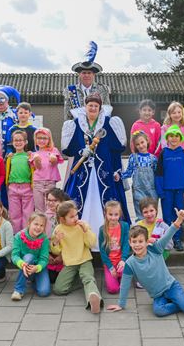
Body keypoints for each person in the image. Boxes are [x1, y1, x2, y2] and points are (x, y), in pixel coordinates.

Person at [107, 209, 184, 317]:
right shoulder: (130, 263)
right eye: (134, 242)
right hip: (158, 295)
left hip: (171, 286)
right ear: (130, 243)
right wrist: (121, 304)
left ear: (147, 241)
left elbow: (168, 234)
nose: (137, 245)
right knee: (159, 311)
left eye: (140, 241)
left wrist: (179, 219)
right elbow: (125, 283)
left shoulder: (155, 249)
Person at [62, 93, 131, 241]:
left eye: (96, 106)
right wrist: (82, 151)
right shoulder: (76, 123)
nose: (93, 108)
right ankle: (77, 239)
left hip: (103, 171)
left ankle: (109, 240)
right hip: (82, 170)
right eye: (90, 105)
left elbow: (117, 148)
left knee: (108, 203)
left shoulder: (108, 123)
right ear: (85, 107)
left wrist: (116, 169)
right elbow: (69, 149)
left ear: (100, 108)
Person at [51, 201, 102, 313]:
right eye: (71, 217)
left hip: (85, 259)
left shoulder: (82, 226)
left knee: (87, 278)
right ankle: (82, 281)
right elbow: (55, 251)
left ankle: (93, 298)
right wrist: (56, 241)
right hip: (69, 263)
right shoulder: (58, 229)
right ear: (63, 219)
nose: (75, 218)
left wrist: (86, 230)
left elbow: (91, 243)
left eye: (76, 215)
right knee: (58, 289)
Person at [155, 125, 184, 252]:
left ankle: (177, 239)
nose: (174, 138)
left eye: (176, 136)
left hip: (180, 190)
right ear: (167, 138)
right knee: (167, 215)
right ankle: (167, 239)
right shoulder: (164, 153)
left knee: (179, 215)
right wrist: (160, 190)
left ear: (180, 138)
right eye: (171, 136)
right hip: (166, 190)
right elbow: (159, 173)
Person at [116, 130, 158, 221]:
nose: (141, 146)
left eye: (142, 142)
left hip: (152, 190)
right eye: (137, 144)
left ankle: (152, 233)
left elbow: (157, 175)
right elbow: (128, 172)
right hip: (138, 190)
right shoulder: (133, 157)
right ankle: (140, 232)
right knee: (141, 214)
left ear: (147, 141)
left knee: (151, 213)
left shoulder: (153, 158)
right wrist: (119, 176)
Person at [63, 41, 110, 121]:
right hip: (77, 129)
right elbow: (67, 114)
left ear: (93, 75)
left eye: (89, 73)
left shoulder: (103, 89)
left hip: (97, 128)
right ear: (79, 74)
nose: (86, 75)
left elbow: (106, 112)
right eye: (84, 73)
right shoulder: (70, 90)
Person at [11, 213, 51, 301]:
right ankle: (18, 290)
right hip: (25, 265)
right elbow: (14, 255)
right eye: (36, 224)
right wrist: (21, 263)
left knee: (44, 292)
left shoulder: (44, 239)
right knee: (29, 257)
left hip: (38, 267)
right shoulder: (19, 236)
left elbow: (44, 259)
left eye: (41, 225)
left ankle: (33, 279)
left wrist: (37, 267)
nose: (38, 227)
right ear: (29, 223)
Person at [98, 201, 131, 294]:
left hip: (121, 261)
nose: (113, 217)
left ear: (120, 214)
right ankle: (115, 276)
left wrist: (123, 260)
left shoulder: (124, 226)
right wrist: (110, 267)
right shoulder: (102, 229)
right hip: (110, 263)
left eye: (116, 214)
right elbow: (102, 251)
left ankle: (121, 275)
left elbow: (126, 244)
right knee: (113, 289)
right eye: (110, 214)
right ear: (105, 214)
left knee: (124, 282)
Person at [5, 130, 34, 233]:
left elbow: (34, 170)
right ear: (12, 142)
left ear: (25, 142)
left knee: (28, 213)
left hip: (27, 187)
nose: (18, 142)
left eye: (20, 140)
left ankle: (26, 234)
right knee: (14, 214)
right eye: (15, 140)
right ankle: (16, 235)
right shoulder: (10, 157)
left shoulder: (29, 156)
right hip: (13, 187)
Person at [31, 128, 64, 213]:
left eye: (44, 138)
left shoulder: (54, 150)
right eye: (39, 138)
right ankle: (40, 224)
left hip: (50, 182)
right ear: (35, 139)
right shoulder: (34, 154)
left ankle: (50, 225)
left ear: (49, 139)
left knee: (50, 208)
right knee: (39, 208)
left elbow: (54, 163)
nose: (41, 140)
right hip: (37, 183)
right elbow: (38, 167)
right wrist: (37, 161)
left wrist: (53, 159)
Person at [45, 188, 70, 283]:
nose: (51, 203)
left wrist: (62, 256)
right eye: (49, 200)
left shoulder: (67, 217)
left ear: (62, 201)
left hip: (64, 253)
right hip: (50, 252)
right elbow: (42, 238)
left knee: (61, 279)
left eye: (55, 201)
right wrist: (47, 254)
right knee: (51, 279)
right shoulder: (44, 217)